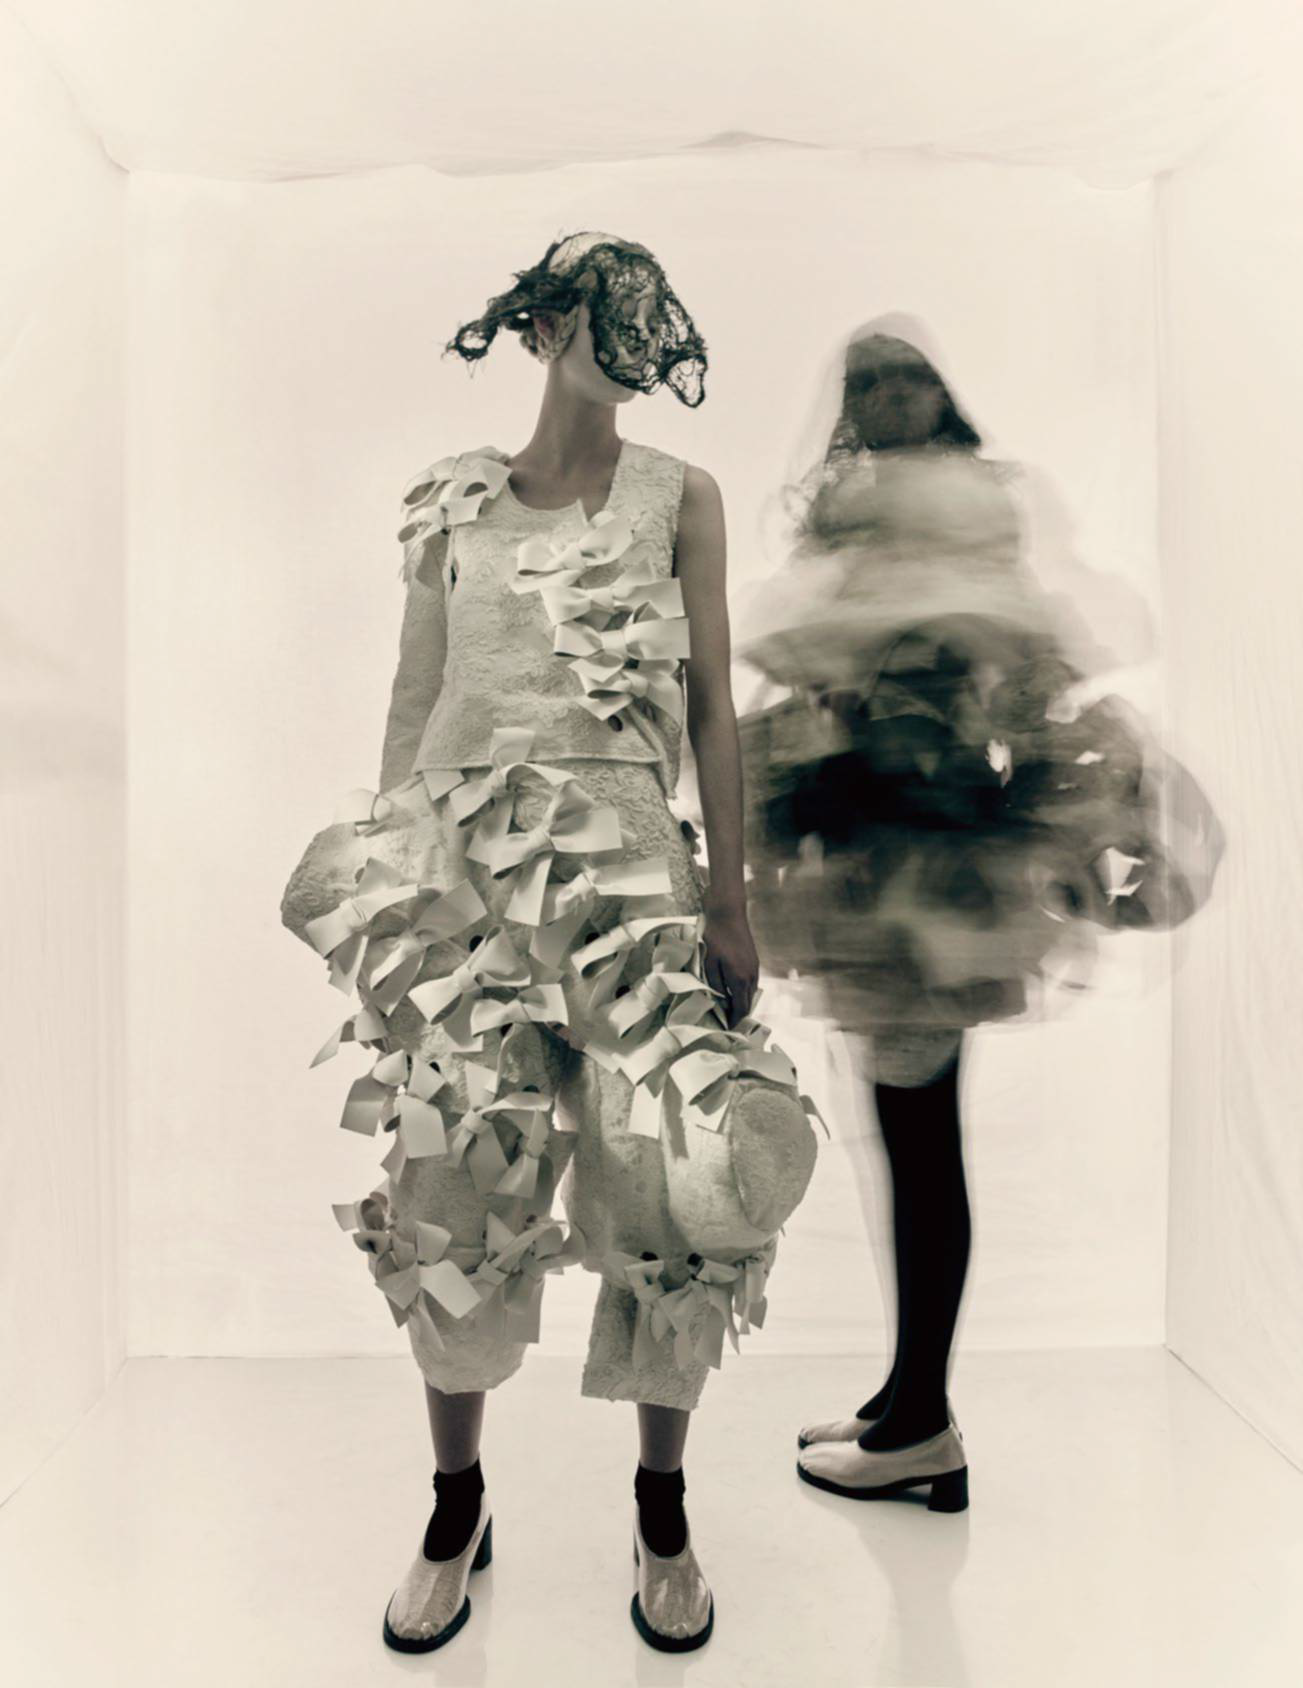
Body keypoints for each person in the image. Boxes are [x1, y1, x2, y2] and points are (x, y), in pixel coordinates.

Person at [279, 232, 820, 1654]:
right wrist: (388, 887)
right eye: (597, 312)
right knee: (450, 1178)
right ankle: (455, 1507)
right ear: (541, 325)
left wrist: (730, 900)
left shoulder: (679, 496)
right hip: (464, 887)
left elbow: (709, 707)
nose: (624, 337)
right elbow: (414, 705)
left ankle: (661, 1508)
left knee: (663, 1187)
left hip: (632, 882)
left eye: (641, 315)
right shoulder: (452, 503)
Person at [735, 317, 1224, 1512]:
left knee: (918, 1144)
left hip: (934, 887)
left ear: (937, 392)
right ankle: (907, 1394)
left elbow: (1013, 678)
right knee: (903, 1140)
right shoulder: (869, 515)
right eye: (867, 381)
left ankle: (921, 1423)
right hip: (883, 877)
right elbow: (840, 678)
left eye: (904, 377)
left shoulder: (969, 515)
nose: (886, 396)